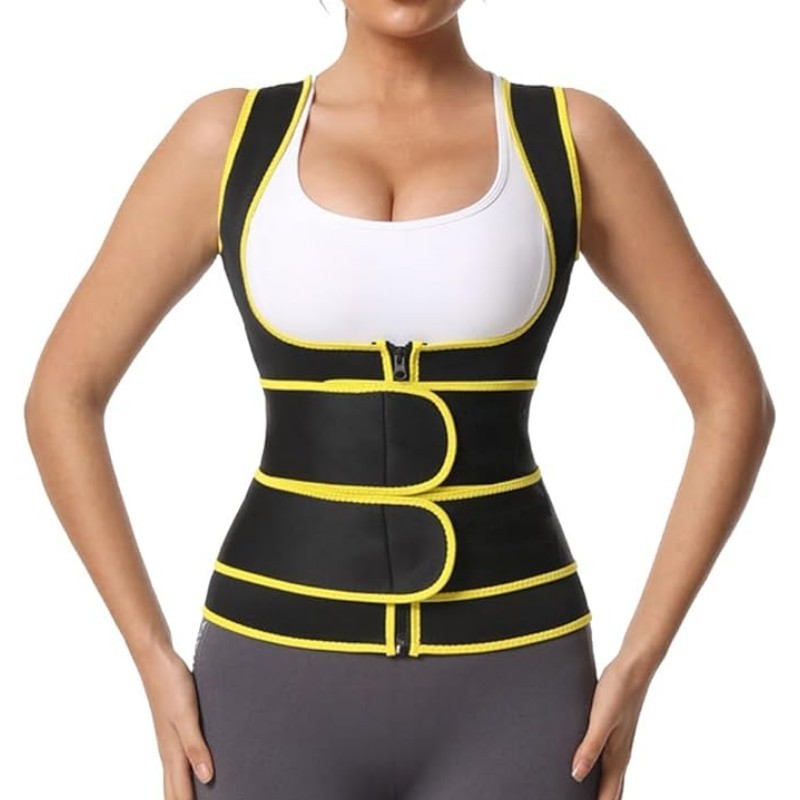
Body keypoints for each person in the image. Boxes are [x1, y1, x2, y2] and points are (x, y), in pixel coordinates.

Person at [24, 2, 775, 800]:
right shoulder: (230, 138)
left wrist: (641, 660)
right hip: (270, 682)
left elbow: (733, 398)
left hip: (516, 684)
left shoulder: (570, 137)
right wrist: (149, 654)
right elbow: (63, 394)